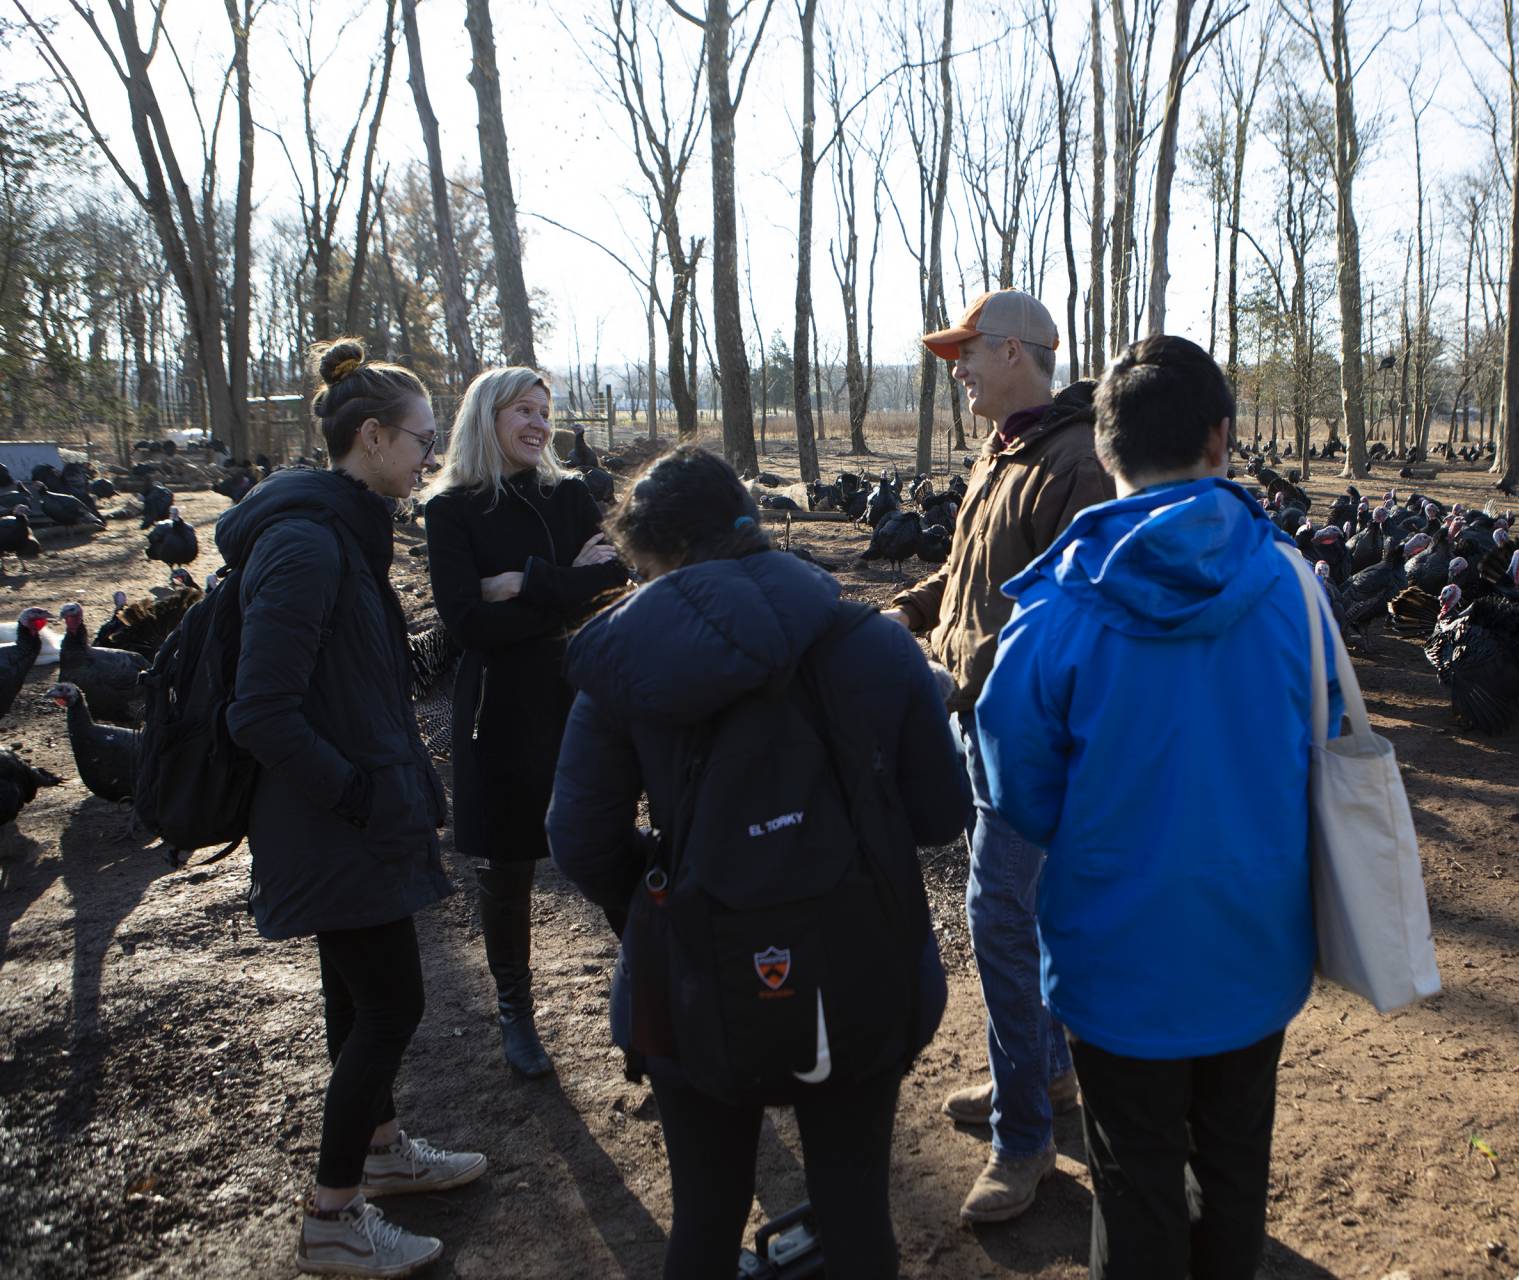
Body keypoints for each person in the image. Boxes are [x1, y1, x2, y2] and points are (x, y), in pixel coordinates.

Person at [547, 446, 972, 1279]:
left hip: (692, 979)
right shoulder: (873, 644)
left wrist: (660, 897)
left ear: (654, 554)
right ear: (747, 525)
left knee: (704, 1214)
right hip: (862, 966)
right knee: (856, 1210)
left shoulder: (623, 667)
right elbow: (942, 814)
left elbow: (579, 836)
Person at [973, 335, 1343, 1280]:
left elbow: (1017, 792)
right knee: (1233, 1169)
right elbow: (1326, 737)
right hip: (1255, 947)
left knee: (1134, 1183)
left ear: (1104, 453)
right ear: (1222, 438)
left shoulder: (1052, 614)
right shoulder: (1295, 589)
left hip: (1116, 960)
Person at [220, 338, 487, 1279]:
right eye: (420, 438)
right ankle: (334, 1216)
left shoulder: (346, 528)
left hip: (351, 816)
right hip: (335, 823)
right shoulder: (305, 540)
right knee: (393, 1005)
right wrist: (362, 793)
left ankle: (379, 1152)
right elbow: (260, 709)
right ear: (371, 436)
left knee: (357, 999)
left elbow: (356, 679)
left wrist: (455, 633)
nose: (428, 456)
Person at [882, 288, 1114, 1222]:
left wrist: (961, 672)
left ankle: (1025, 1141)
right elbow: (971, 576)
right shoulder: (1004, 449)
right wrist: (897, 617)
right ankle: (1046, 1078)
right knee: (1024, 917)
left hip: (1031, 736)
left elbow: (1060, 620)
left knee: (1002, 923)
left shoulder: (1078, 464)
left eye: (967, 353)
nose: (957, 369)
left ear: (1017, 352)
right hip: (978, 720)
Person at [423, 370, 629, 1078]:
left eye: (546, 411)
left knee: (605, 844)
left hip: (576, 694)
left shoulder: (567, 493)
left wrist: (521, 582)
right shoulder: (451, 510)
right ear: (488, 416)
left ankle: (655, 988)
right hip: (497, 706)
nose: (541, 424)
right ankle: (516, 1013)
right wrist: (560, 583)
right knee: (507, 867)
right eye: (524, 411)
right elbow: (467, 622)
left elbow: (610, 577)